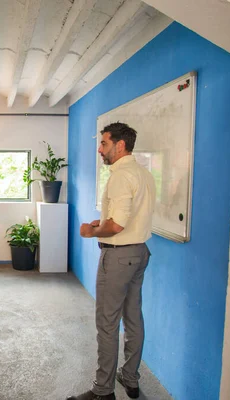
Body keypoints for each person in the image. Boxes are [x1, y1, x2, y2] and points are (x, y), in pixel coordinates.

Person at [68, 122, 156, 400]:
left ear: (120, 145)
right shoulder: (144, 174)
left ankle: (103, 391)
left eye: (104, 143)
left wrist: (91, 230)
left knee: (107, 323)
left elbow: (117, 226)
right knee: (133, 318)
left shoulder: (119, 176)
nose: (99, 148)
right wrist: (103, 222)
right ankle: (129, 378)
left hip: (118, 257)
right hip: (140, 253)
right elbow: (129, 217)